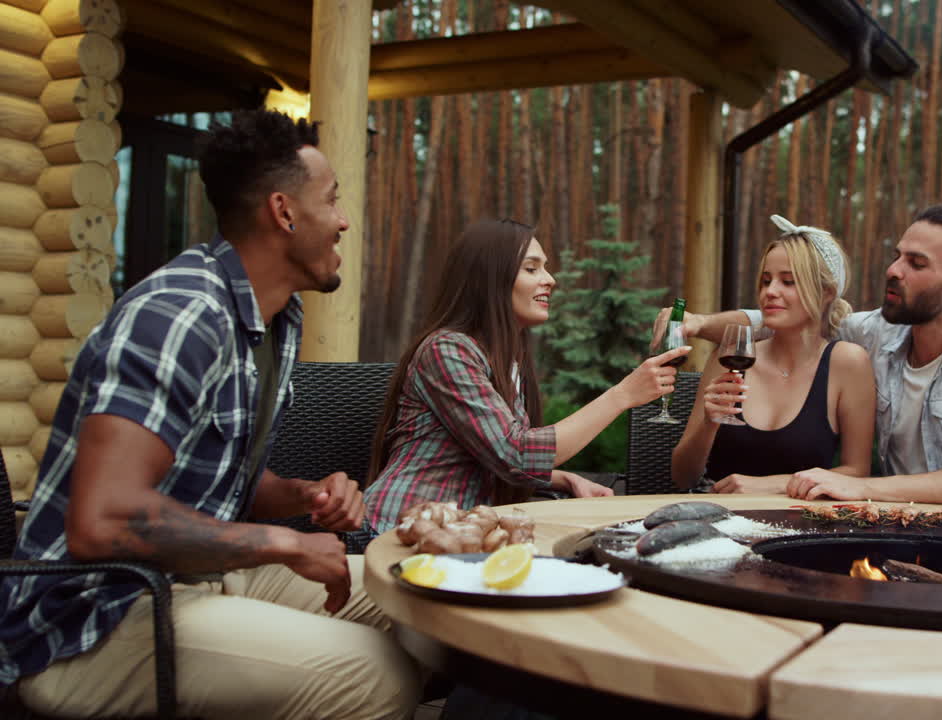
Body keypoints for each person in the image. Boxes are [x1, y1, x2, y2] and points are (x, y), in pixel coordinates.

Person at [0, 109, 422, 719]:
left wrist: (305, 497)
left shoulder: (272, 321)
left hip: (193, 578)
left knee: (422, 599)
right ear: (284, 212)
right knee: (372, 676)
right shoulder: (178, 315)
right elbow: (101, 520)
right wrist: (281, 544)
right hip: (90, 622)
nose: (343, 220)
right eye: (332, 200)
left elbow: (221, 490)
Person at [668, 205, 942, 512]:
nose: (893, 269)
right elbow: (790, 319)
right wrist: (701, 323)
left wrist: (858, 487)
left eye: (916, 264)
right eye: (898, 255)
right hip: (915, 524)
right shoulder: (875, 332)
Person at [364, 218, 689, 531]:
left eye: (544, 267)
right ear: (490, 278)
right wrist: (623, 396)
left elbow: (490, 452)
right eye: (532, 268)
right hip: (398, 528)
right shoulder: (447, 350)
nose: (550, 279)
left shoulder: (506, 360)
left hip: (460, 532)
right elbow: (515, 453)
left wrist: (563, 478)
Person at [670, 215, 875, 494]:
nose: (770, 292)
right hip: (721, 518)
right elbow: (683, 479)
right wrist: (708, 423)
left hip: (804, 523)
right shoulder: (729, 356)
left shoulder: (847, 363)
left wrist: (775, 485)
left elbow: (857, 472)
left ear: (826, 293)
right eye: (766, 281)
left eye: (788, 282)